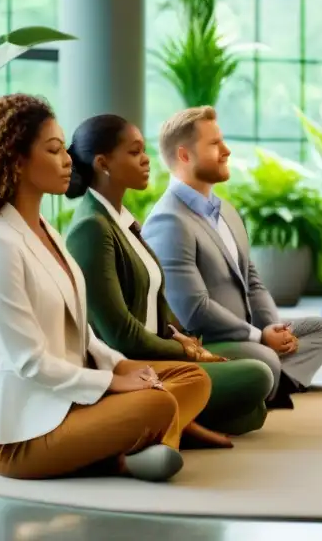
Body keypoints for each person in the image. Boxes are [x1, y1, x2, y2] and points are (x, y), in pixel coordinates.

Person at [0, 94, 211, 482]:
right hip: (24, 433)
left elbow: (82, 335)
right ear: (15, 161)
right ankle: (138, 446)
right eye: (53, 150)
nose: (67, 159)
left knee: (191, 378)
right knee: (158, 404)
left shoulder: (48, 232)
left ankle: (138, 442)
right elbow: (29, 362)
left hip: (75, 399)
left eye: (65, 148)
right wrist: (114, 383)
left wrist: (123, 365)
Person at [64, 114, 274, 442]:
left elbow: (155, 298)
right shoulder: (92, 228)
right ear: (103, 163)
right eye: (134, 153)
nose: (147, 159)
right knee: (257, 375)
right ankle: (157, 418)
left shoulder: (123, 220)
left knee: (253, 408)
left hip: (160, 351)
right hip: (133, 366)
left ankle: (173, 418)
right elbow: (121, 334)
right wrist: (184, 353)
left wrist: (184, 337)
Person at [141, 106, 322, 409]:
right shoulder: (169, 221)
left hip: (252, 334)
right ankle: (269, 377)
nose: (226, 150)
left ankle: (268, 381)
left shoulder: (227, 212)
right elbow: (194, 310)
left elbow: (253, 282)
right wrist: (260, 338)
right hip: (209, 342)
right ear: (184, 156)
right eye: (214, 144)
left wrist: (276, 331)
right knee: (264, 359)